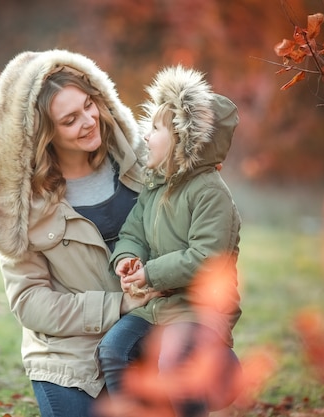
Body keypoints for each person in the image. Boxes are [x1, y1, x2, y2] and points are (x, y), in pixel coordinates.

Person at [0, 49, 159, 417]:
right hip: (70, 357)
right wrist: (117, 305)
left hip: (148, 333)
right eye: (70, 119)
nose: (89, 121)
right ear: (45, 133)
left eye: (89, 105)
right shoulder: (24, 207)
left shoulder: (145, 164)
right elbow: (30, 302)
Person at [97, 65, 243, 417]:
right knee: (113, 349)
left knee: (173, 362)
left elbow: (206, 258)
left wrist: (149, 275)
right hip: (155, 308)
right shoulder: (155, 187)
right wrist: (128, 260)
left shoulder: (211, 194)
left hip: (197, 310)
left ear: (185, 140)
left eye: (156, 129)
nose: (146, 137)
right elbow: (133, 233)